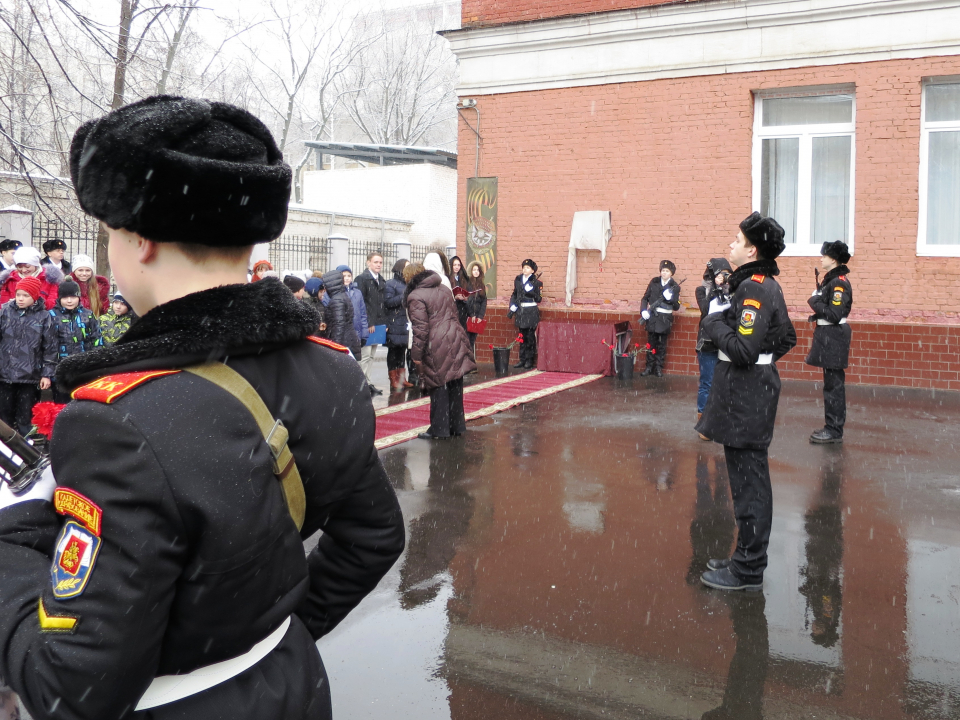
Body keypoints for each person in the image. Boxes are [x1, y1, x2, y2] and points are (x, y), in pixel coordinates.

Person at [0, 94, 404, 720]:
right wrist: (268, 636)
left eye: (109, 232)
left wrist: (13, 536)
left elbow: (70, 690)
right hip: (292, 683)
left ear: (140, 241)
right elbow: (374, 537)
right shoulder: (331, 369)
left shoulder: (118, 423)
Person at [696, 212, 797, 592]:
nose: (730, 246)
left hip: (746, 397)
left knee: (749, 485)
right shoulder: (762, 284)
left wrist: (714, 321)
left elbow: (742, 349)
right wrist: (763, 363)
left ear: (751, 249)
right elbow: (785, 338)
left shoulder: (754, 288)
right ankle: (745, 557)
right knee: (748, 481)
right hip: (752, 392)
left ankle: (748, 570)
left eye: (736, 241)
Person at [405, 263, 476, 439]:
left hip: (435, 343)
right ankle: (456, 426)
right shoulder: (444, 288)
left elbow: (420, 329)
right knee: (454, 384)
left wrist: (416, 355)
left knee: (438, 386)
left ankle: (439, 430)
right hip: (454, 337)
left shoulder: (415, 296)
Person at [806, 241, 852, 444]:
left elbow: (834, 314)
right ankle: (831, 427)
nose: (821, 258)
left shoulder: (839, 283)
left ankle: (834, 430)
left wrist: (814, 301)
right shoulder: (831, 280)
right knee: (831, 385)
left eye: (824, 256)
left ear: (833, 259)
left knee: (834, 386)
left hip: (834, 335)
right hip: (830, 336)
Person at [0, 276, 56, 435]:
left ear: (35, 296)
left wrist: (46, 374)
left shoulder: (44, 317)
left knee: (26, 417)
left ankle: (26, 447)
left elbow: (50, 348)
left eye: (26, 295)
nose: (21, 299)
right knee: (4, 415)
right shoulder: (5, 312)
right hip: (5, 373)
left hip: (30, 375)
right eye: (18, 295)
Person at [695, 258, 732, 437]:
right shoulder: (702, 290)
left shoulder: (732, 291)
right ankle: (704, 423)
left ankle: (721, 420)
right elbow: (704, 310)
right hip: (707, 344)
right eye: (721, 273)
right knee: (707, 383)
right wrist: (715, 289)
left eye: (727, 274)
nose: (724, 277)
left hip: (726, 343)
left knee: (724, 383)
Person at [48, 280, 102, 402]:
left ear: (78, 297)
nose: (69, 301)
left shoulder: (88, 315)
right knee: (61, 404)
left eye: (73, 297)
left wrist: (95, 364)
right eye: (65, 297)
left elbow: (96, 340)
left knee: (81, 403)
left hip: (83, 369)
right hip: (60, 370)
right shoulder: (51, 316)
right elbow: (48, 345)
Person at [640, 260, 681, 377]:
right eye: (663, 270)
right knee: (650, 343)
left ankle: (658, 368)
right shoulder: (654, 282)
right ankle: (648, 367)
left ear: (671, 273)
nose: (664, 273)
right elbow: (645, 298)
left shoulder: (675, 286)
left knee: (661, 345)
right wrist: (643, 311)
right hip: (653, 317)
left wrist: (670, 299)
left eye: (667, 271)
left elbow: (676, 306)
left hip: (664, 319)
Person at [355, 253, 386, 396]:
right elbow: (361, 304)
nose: (378, 264)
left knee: (372, 355)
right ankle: (361, 384)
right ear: (368, 263)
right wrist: (368, 322)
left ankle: (367, 382)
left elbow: (381, 304)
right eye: (375, 262)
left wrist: (383, 323)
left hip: (378, 324)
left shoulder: (381, 280)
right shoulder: (362, 279)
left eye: (380, 262)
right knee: (365, 355)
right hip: (368, 324)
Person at [508, 258, 542, 370]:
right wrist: (512, 305)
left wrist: (531, 292)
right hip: (521, 311)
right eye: (524, 267)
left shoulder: (536, 282)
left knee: (530, 337)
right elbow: (515, 293)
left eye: (527, 267)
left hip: (531, 311)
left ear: (533, 270)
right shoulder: (518, 280)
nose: (525, 269)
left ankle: (529, 360)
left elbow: (538, 299)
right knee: (521, 336)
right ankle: (522, 359)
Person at [384, 259, 413, 391]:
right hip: (395, 322)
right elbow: (388, 302)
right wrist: (403, 297)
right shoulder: (390, 284)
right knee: (393, 351)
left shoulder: (409, 284)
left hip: (405, 322)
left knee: (402, 350)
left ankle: (402, 378)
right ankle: (393, 379)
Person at [321, 268, 361, 359]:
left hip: (344, 341)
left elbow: (339, 324)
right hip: (348, 339)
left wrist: (335, 346)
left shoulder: (337, 300)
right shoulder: (341, 296)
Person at [335, 265, 369, 364]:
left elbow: (363, 314)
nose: (346, 278)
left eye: (349, 275)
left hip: (356, 333)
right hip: (343, 334)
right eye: (343, 275)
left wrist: (364, 334)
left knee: (354, 363)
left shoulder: (357, 293)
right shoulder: (336, 292)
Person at [464, 261, 487, 355]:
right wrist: (471, 314)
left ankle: (471, 359)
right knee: (467, 339)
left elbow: (484, 302)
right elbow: (467, 301)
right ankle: (467, 359)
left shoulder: (482, 285)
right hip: (468, 316)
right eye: (474, 270)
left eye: (478, 270)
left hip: (477, 317)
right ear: (471, 271)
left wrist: (480, 316)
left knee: (473, 339)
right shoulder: (467, 284)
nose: (476, 272)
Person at [449, 255, 469, 329]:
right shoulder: (448, 278)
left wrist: (465, 298)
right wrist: (454, 297)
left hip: (462, 309)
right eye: (454, 265)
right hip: (452, 309)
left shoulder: (463, 278)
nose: (457, 267)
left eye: (458, 265)